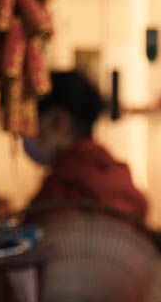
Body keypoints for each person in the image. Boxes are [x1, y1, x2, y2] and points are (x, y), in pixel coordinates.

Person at [26, 71, 149, 222]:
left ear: (58, 122)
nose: (26, 134)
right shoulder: (113, 171)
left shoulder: (59, 190)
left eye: (30, 124)